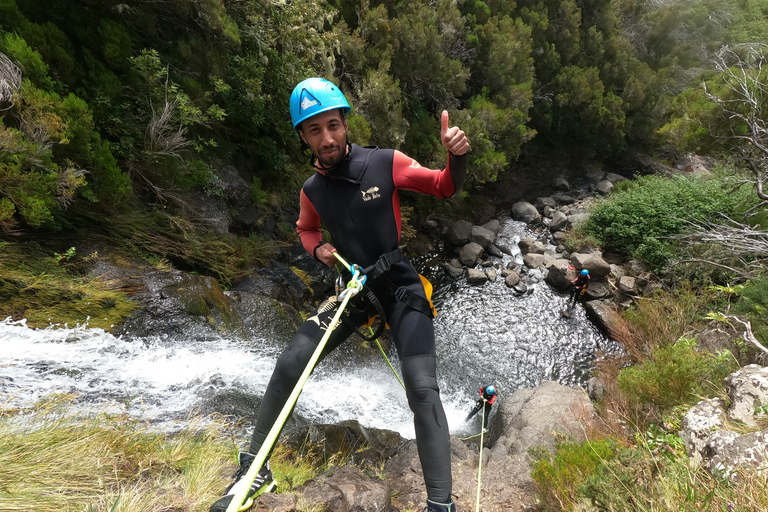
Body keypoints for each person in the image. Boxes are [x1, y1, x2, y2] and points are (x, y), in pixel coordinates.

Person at [209, 77, 469, 512]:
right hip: (353, 290)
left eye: (333, 125)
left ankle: (441, 504)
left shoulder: (385, 163)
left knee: (422, 388)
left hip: (400, 287)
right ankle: (254, 471)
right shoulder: (312, 190)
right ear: (303, 137)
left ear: (345, 123)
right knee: (290, 362)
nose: (326, 138)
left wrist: (456, 155)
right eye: (315, 130)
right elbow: (305, 228)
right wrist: (319, 249)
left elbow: (443, 185)